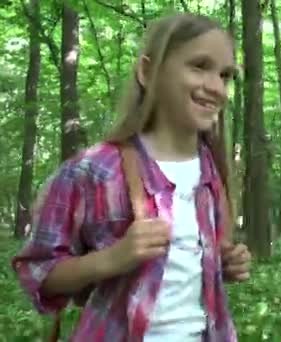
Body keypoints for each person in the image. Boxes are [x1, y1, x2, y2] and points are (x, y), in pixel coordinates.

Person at [11, 12, 251, 342]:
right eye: (199, 66)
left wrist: (225, 264)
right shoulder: (93, 170)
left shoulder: (213, 170)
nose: (216, 87)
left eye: (225, 75)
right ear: (148, 72)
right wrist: (112, 259)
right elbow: (38, 272)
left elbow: (190, 271)